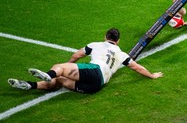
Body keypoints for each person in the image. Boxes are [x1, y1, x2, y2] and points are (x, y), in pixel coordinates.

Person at [8, 28, 163, 94]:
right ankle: (30, 85)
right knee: (61, 80)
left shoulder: (95, 45)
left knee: (58, 69)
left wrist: (67, 65)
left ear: (105, 37)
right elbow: (137, 68)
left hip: (94, 71)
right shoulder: (122, 54)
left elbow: (76, 56)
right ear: (118, 40)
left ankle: (49, 74)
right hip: (96, 86)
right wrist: (152, 75)